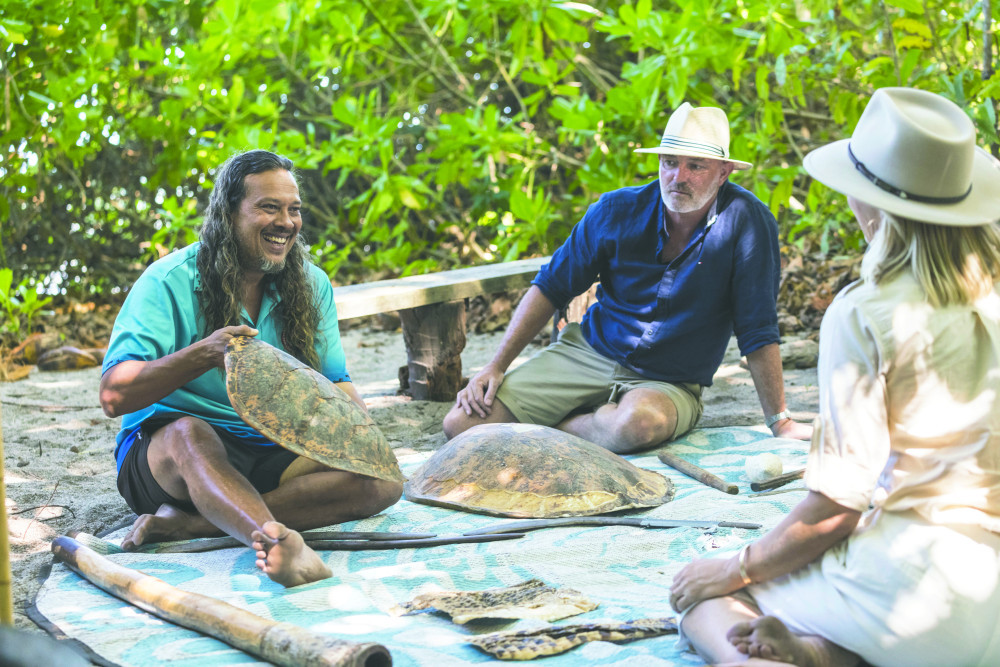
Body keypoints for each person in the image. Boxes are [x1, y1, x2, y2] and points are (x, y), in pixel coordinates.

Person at [668, 87, 1000, 667]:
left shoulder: (867, 312)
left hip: (913, 592)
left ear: (869, 201)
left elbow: (836, 508)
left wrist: (732, 567)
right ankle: (822, 652)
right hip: (989, 597)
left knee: (706, 604)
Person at [99, 150, 402, 588]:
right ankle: (277, 542)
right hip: (170, 457)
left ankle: (197, 524)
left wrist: (361, 437)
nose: (286, 222)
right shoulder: (168, 281)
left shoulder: (311, 284)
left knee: (381, 482)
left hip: (269, 446)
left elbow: (335, 382)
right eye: (268, 208)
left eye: (293, 209)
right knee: (191, 432)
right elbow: (113, 395)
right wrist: (205, 352)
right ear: (227, 214)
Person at [443, 102, 811, 452]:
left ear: (724, 172)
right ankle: (585, 423)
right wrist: (495, 366)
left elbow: (757, 328)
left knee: (635, 425)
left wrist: (780, 422)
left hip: (668, 380)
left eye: (695, 166)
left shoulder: (749, 222)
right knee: (463, 424)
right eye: (669, 163)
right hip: (589, 352)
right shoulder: (616, 210)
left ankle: (556, 427)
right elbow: (551, 286)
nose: (677, 177)